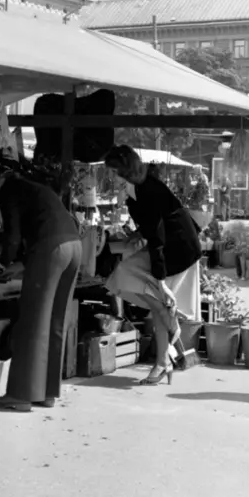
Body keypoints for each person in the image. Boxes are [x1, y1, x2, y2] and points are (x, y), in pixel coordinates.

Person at [0, 153, 82, 411]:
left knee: (33, 320)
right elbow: (40, 224)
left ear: (2, 176)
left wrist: (2, 264)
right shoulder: (33, 188)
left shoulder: (9, 190)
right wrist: (20, 264)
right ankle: (47, 392)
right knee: (55, 320)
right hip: (74, 246)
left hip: (51, 248)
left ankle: (21, 395)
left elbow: (12, 235)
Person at [104, 145, 203, 386]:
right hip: (176, 244)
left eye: (110, 171)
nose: (108, 176)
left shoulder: (146, 191)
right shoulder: (141, 187)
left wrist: (159, 279)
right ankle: (162, 361)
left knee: (128, 273)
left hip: (179, 250)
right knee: (155, 302)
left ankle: (166, 341)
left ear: (120, 171)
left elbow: (158, 238)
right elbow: (155, 227)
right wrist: (139, 234)